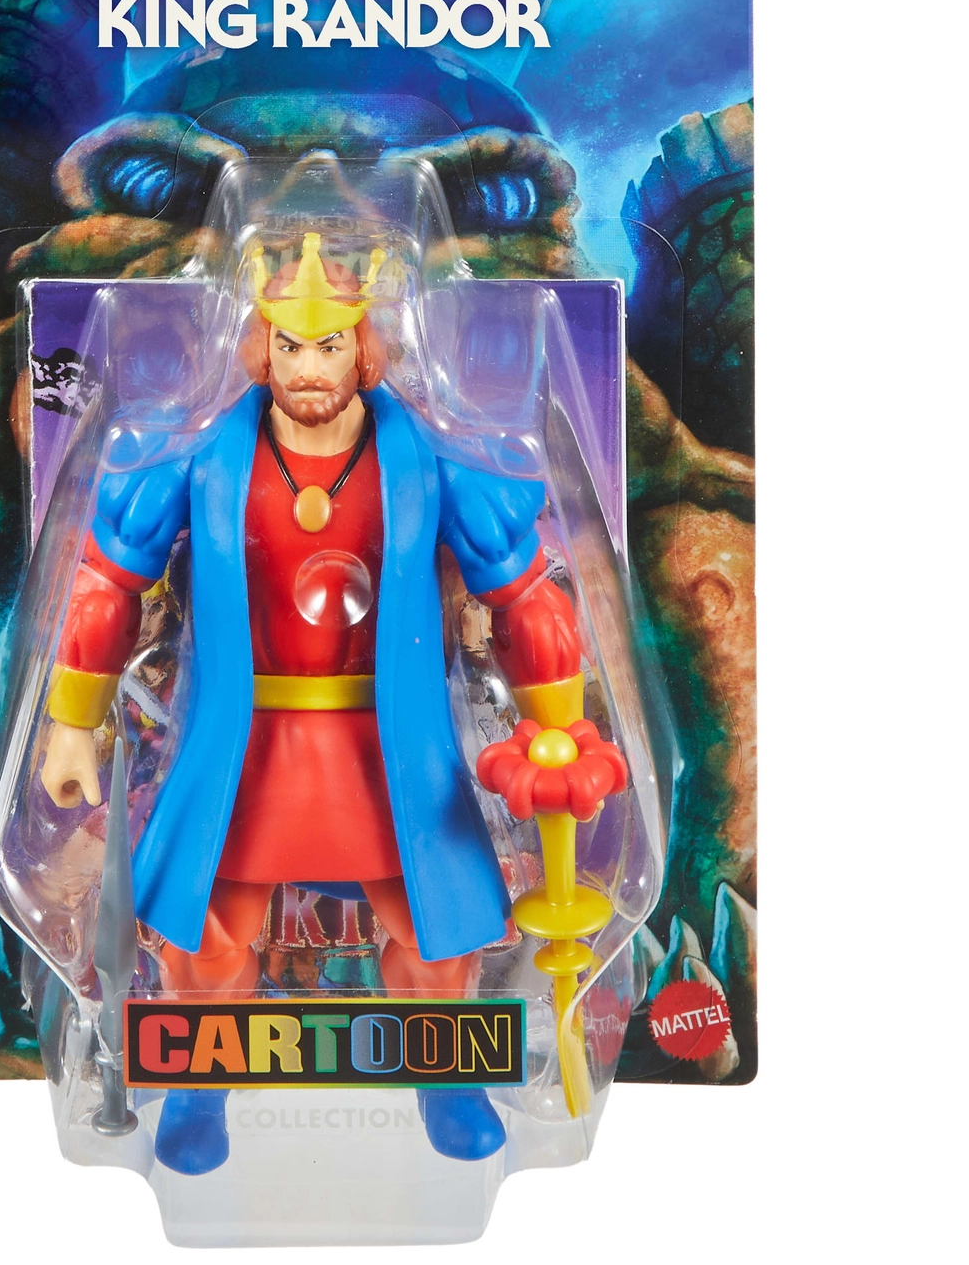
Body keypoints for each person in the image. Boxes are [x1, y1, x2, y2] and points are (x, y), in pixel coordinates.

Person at [39, 232, 585, 1173]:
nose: (307, 369)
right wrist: (72, 722)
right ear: (260, 344)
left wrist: (560, 728)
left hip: (389, 750)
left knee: (434, 931)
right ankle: (199, 1089)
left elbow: (524, 589)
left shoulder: (429, 461)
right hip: (244, 748)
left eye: (329, 346)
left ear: (364, 346)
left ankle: (444, 1080)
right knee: (206, 933)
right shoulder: (203, 461)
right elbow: (108, 580)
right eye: (289, 346)